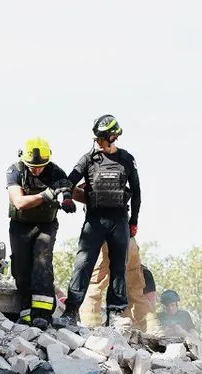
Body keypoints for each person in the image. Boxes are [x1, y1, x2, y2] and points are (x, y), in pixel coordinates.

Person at [56, 115, 141, 328]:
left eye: (101, 139)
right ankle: (71, 311)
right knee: (83, 264)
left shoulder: (126, 159)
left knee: (118, 267)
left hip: (119, 220)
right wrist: (66, 196)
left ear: (112, 137)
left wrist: (134, 221)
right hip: (94, 221)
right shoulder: (88, 159)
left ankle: (115, 313)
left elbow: (137, 192)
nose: (97, 142)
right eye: (96, 139)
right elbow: (69, 180)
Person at [6, 137, 74, 331]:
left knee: (42, 264)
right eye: (32, 167)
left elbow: (65, 186)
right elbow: (19, 202)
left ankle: (42, 315)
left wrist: (67, 198)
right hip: (20, 226)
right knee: (21, 268)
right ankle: (26, 313)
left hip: (46, 226)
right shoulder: (15, 171)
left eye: (40, 167)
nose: (36, 171)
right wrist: (46, 195)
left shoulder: (55, 172)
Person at [80, 239, 159, 333]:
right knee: (135, 294)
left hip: (108, 240)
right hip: (128, 240)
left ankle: (91, 328)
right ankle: (154, 331)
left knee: (94, 287)